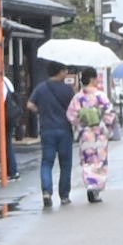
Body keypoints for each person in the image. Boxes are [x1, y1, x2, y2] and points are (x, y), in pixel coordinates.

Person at [31, 66, 77, 207]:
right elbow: (74, 108)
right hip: (64, 130)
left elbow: (29, 105)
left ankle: (46, 191)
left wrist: (41, 111)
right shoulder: (67, 89)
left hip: (47, 130)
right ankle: (64, 196)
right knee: (65, 164)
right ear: (60, 71)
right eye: (65, 70)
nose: (67, 73)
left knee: (47, 162)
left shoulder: (41, 88)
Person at [74, 66, 119, 203]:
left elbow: (71, 115)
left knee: (88, 161)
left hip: (85, 133)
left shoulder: (78, 97)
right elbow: (110, 113)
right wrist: (107, 126)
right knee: (99, 161)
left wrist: (80, 124)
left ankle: (90, 184)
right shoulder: (100, 96)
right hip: (99, 133)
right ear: (93, 79)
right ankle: (96, 188)